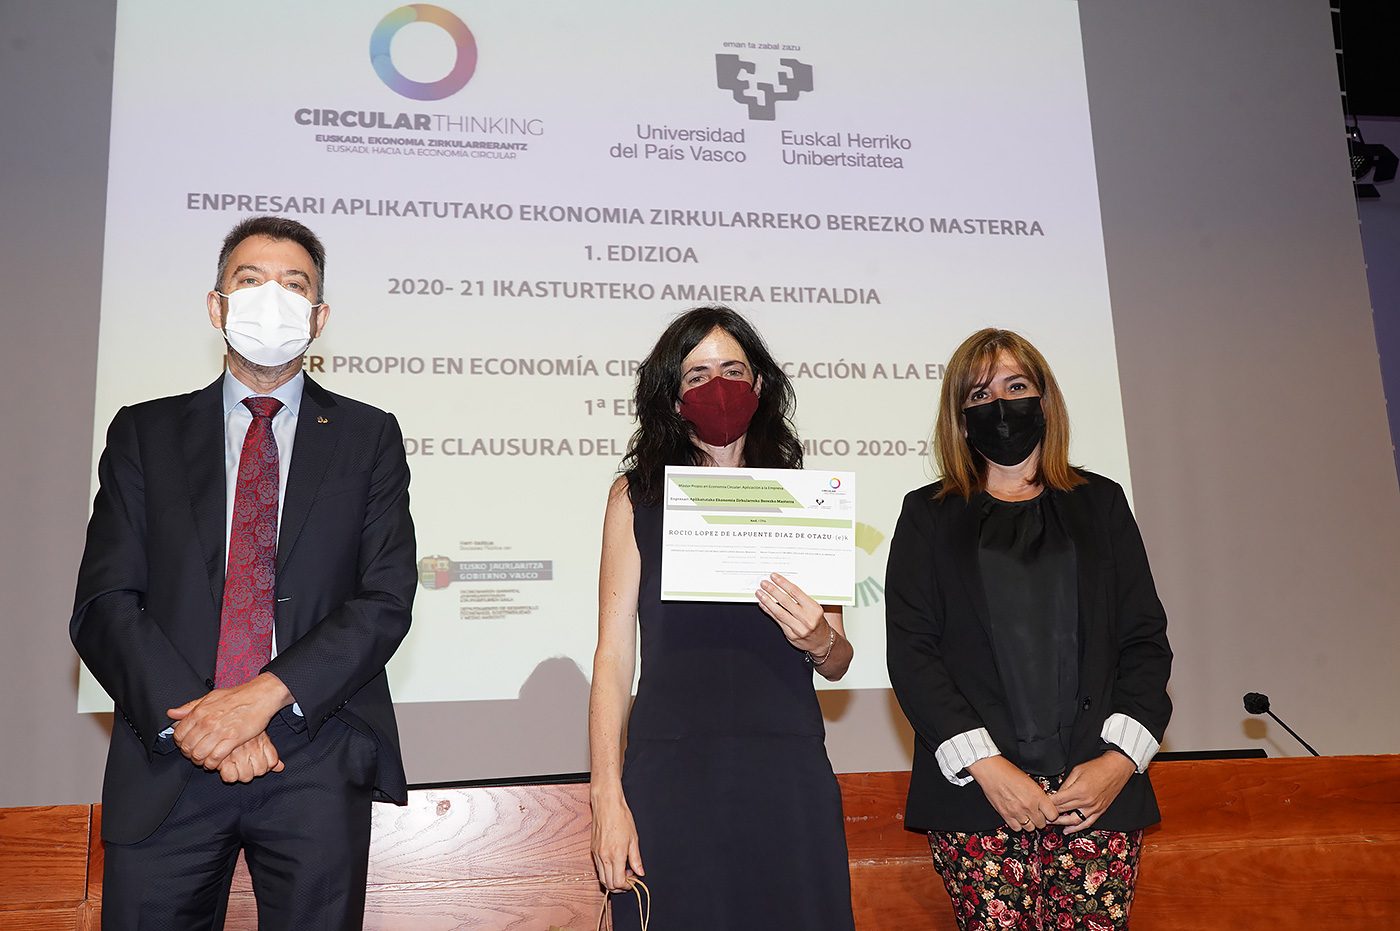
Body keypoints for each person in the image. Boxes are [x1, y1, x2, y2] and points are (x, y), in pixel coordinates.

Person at [70, 216, 416, 931]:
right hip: (171, 752)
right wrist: (204, 720)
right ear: (216, 305)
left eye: (295, 285)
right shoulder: (143, 432)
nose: (272, 298)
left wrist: (261, 698)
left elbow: (383, 598)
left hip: (314, 755)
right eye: (250, 280)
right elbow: (105, 601)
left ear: (319, 317)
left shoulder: (369, 435)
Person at [884, 328, 1172, 931]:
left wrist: (1119, 762)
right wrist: (988, 768)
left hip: (1096, 798)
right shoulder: (927, 514)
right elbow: (913, 654)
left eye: (1016, 387)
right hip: (980, 795)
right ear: (961, 418)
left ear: (1045, 399)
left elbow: (1144, 641)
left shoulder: (1102, 502)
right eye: (980, 394)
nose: (1001, 405)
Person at [588, 306, 856, 930]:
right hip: (670, 774)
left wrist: (818, 638)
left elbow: (840, 660)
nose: (718, 386)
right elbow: (613, 656)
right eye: (698, 374)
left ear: (759, 384)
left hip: (786, 773)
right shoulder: (636, 496)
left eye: (733, 371)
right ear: (672, 395)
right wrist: (606, 795)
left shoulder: (803, 498)